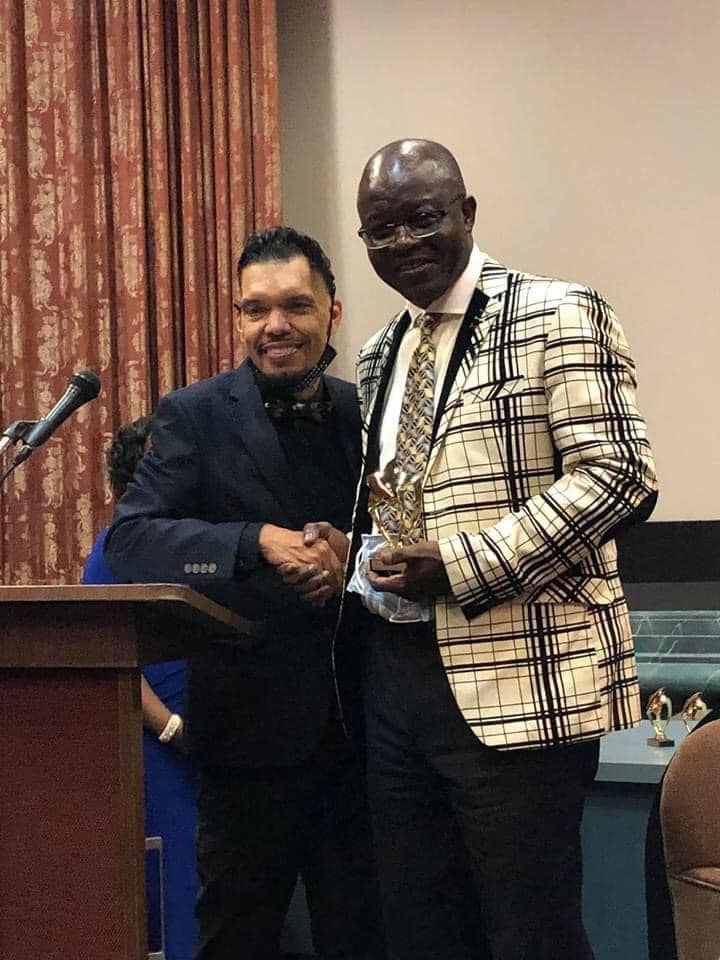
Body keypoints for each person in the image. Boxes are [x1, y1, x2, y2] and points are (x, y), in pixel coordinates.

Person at [298, 139, 658, 960]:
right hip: (396, 681)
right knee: (421, 932)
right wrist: (356, 551)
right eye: (380, 230)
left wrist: (464, 566)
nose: (403, 243)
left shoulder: (557, 311)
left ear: (466, 212)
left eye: (422, 219)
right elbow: (412, 502)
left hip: (523, 682)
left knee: (532, 935)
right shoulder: (380, 352)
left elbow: (619, 476)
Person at [103, 227, 385, 960]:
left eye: (296, 305)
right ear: (237, 319)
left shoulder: (368, 412)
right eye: (255, 309)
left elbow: (401, 538)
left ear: (333, 311)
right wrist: (253, 540)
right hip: (246, 742)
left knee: (366, 940)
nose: (274, 325)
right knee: (237, 941)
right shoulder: (194, 413)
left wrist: (350, 561)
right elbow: (131, 540)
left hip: (369, 736)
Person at [82, 415, 198, 960]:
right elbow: (110, 659)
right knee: (179, 885)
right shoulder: (116, 548)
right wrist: (173, 729)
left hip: (216, 737)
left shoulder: (200, 539)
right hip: (158, 743)